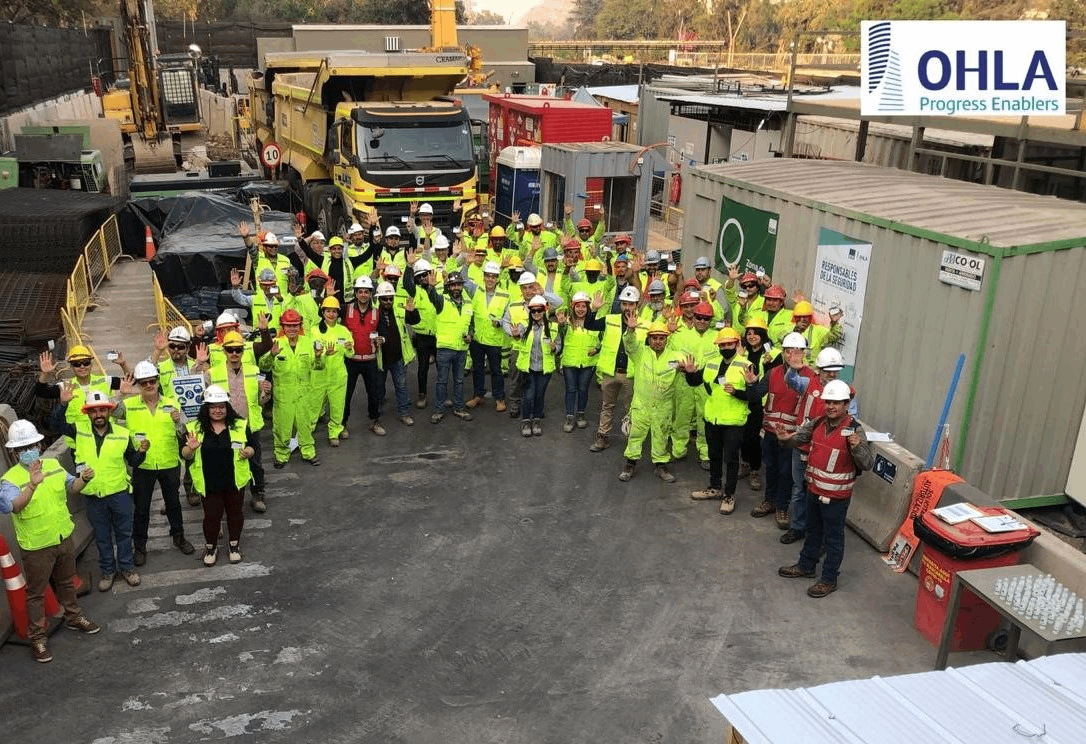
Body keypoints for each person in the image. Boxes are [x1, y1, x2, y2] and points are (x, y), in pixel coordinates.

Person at [0, 420, 101, 663]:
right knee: (35, 594)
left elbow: (72, 487)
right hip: (36, 547)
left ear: (40, 444)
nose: (29, 452)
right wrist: (32, 486)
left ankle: (74, 617)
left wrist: (84, 479)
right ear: (14, 452)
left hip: (62, 536)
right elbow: (13, 507)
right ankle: (38, 638)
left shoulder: (53, 466)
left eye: (33, 445)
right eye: (23, 449)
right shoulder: (10, 480)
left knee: (67, 583)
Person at [777, 380, 874, 598]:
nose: (830, 406)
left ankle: (829, 579)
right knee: (813, 532)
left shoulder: (854, 431)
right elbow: (797, 440)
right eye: (828, 402)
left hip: (837, 498)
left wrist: (857, 446)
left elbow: (868, 464)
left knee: (833, 539)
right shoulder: (818, 422)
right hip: (814, 490)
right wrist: (784, 439)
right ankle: (806, 566)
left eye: (836, 403)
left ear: (846, 404)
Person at [52, 389, 144, 591]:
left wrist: (142, 452)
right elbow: (55, 425)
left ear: (109, 411)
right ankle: (108, 572)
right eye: (94, 411)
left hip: (119, 494)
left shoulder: (122, 434)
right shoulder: (80, 430)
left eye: (102, 410)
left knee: (124, 534)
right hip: (93, 496)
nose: (99, 414)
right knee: (102, 537)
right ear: (87, 413)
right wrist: (63, 404)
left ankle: (127, 569)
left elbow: (133, 461)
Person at [115, 360, 192, 564]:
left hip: (169, 463)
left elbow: (185, 433)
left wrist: (178, 422)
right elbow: (109, 415)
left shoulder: (172, 404)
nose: (149, 385)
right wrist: (120, 394)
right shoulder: (129, 406)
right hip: (143, 465)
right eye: (144, 383)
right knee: (141, 509)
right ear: (138, 385)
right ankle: (140, 546)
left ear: (158, 381)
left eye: (152, 381)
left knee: (173, 504)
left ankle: (179, 537)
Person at [779, 347, 851, 545]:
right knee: (799, 490)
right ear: (818, 369)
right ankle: (798, 527)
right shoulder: (808, 384)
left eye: (835, 370)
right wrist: (793, 368)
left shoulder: (846, 392)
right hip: (802, 448)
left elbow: (851, 422)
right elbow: (790, 380)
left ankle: (817, 534)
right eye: (827, 370)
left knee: (820, 494)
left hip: (825, 454)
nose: (831, 374)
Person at [687, 329, 764, 514]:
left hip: (733, 423)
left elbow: (754, 397)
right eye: (722, 345)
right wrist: (689, 373)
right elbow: (696, 381)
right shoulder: (712, 363)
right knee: (714, 455)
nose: (725, 347)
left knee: (730, 459)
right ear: (718, 346)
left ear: (737, 344)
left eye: (729, 344)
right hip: (712, 419)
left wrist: (743, 389)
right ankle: (714, 488)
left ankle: (729, 495)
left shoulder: (748, 366)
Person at [181, 385, 258, 567]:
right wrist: (190, 449)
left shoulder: (240, 425)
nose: (217, 410)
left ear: (227, 407)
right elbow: (184, 454)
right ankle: (211, 547)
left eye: (221, 406)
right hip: (209, 483)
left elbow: (253, 445)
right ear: (206, 408)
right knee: (211, 517)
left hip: (234, 482)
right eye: (213, 406)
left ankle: (234, 546)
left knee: (235, 514)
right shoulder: (194, 428)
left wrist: (248, 451)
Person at [751, 333, 816, 530]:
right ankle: (769, 500)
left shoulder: (810, 378)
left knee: (786, 472)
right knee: (770, 468)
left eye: (797, 351)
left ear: (804, 353)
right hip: (770, 432)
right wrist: (752, 383)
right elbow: (756, 396)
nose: (792, 355)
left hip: (791, 436)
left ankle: (781, 506)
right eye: (788, 351)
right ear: (783, 352)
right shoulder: (772, 373)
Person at [207, 330, 272, 512]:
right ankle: (229, 497)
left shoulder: (254, 371)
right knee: (226, 463)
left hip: (249, 425)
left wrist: (266, 393)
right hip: (225, 427)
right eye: (230, 350)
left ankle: (258, 493)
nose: (234, 354)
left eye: (238, 350)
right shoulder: (212, 373)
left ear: (243, 351)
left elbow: (261, 400)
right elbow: (198, 391)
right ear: (224, 351)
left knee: (255, 463)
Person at [618, 319, 684, 483]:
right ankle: (630, 464)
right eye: (654, 338)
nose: (658, 341)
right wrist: (630, 330)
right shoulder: (640, 352)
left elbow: (689, 364)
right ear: (649, 339)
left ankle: (660, 465)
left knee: (661, 436)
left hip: (663, 406)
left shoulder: (674, 356)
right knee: (635, 435)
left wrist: (690, 369)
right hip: (641, 405)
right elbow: (629, 343)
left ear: (666, 339)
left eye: (661, 338)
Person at [261, 308, 324, 467]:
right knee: (282, 427)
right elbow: (264, 366)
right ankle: (281, 454)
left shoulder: (308, 342)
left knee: (305, 425)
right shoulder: (276, 344)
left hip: (303, 394)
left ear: (300, 326)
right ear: (283, 326)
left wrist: (318, 358)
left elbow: (319, 366)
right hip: (283, 395)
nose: (292, 329)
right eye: (288, 325)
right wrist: (272, 355)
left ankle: (308, 452)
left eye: (295, 325)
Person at [585, 285, 642, 453]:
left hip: (630, 374)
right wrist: (593, 309)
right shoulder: (610, 319)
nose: (627, 308)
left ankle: (632, 440)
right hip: (611, 372)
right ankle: (602, 438)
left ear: (637, 305)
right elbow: (589, 324)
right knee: (607, 406)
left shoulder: (643, 325)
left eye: (631, 304)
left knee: (631, 409)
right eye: (624, 304)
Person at [36, 345, 126, 448]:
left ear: (91, 365)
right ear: (71, 367)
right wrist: (45, 374)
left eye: (86, 362)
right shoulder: (65, 387)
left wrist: (123, 365)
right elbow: (41, 392)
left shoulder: (105, 381)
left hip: (107, 438)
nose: (82, 367)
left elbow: (132, 381)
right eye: (77, 364)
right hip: (79, 442)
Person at [428, 271, 474, 424]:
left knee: (459, 380)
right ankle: (439, 410)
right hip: (444, 349)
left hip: (461, 349)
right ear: (448, 287)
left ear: (462, 286)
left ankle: (459, 408)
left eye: (458, 285)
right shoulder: (442, 300)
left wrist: (470, 335)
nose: (456, 287)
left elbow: (471, 325)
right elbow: (432, 297)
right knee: (442, 381)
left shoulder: (468, 304)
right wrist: (431, 287)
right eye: (453, 285)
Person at [737, 316, 778, 490]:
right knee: (743, 436)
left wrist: (768, 365)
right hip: (742, 398)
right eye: (749, 333)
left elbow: (775, 378)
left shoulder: (773, 353)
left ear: (763, 334)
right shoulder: (742, 352)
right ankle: (745, 464)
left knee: (754, 438)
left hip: (760, 402)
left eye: (755, 333)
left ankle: (754, 470)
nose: (752, 336)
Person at [342, 275, 384, 436]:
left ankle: (374, 422)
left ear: (371, 294)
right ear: (356, 293)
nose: (363, 295)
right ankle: (342, 424)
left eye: (366, 292)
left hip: (370, 361)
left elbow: (383, 332)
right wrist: (329, 295)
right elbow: (325, 314)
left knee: (374, 394)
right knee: (346, 394)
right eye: (360, 292)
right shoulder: (346, 309)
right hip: (350, 360)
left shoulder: (377, 313)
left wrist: (382, 338)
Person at [375, 280, 421, 426]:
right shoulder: (373, 314)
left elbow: (414, 321)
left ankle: (404, 414)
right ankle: (376, 416)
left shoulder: (400, 310)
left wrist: (412, 311)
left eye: (390, 298)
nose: (388, 301)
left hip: (398, 357)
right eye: (385, 299)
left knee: (401, 386)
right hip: (380, 357)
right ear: (379, 299)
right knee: (378, 388)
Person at [466, 261, 509, 411]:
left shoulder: (505, 295)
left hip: (494, 340)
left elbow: (508, 317)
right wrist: (465, 261)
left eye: (493, 277)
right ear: (483, 277)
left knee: (496, 371)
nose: (490, 279)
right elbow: (463, 278)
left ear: (497, 278)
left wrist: (501, 322)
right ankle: (478, 395)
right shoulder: (475, 289)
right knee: (477, 368)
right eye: (488, 276)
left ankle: (499, 398)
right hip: (477, 338)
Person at [311, 296, 354, 443]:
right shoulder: (315, 331)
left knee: (337, 406)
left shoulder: (343, 331)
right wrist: (324, 354)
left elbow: (350, 353)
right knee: (314, 406)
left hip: (338, 376)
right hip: (319, 375)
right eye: (328, 311)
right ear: (322, 312)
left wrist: (349, 348)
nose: (331, 314)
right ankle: (307, 432)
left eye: (334, 311)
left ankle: (334, 432)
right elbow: (311, 353)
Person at [517, 294, 561, 436]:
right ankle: (525, 421)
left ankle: (536, 421)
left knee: (539, 395)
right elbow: (516, 336)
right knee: (529, 395)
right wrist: (514, 334)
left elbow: (559, 345)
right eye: (533, 311)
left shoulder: (553, 327)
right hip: (528, 367)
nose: (536, 313)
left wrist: (555, 348)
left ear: (544, 310)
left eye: (539, 310)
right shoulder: (523, 325)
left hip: (544, 369)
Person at [557, 291, 598, 432]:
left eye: (584, 306)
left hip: (588, 362)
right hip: (570, 362)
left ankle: (580, 415)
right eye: (578, 306)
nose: (581, 309)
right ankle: (569, 417)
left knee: (583, 390)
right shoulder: (567, 323)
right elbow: (560, 335)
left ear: (588, 307)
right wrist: (561, 324)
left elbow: (604, 340)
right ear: (573, 307)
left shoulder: (595, 322)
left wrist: (597, 349)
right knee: (570, 389)